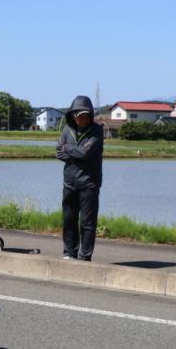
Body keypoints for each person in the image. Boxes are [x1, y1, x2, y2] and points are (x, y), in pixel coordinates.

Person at [56, 94, 104, 261]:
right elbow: (58, 152)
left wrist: (68, 148)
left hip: (89, 183)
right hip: (69, 182)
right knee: (69, 220)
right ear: (73, 115)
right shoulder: (66, 130)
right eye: (80, 115)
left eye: (86, 115)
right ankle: (69, 252)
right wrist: (74, 151)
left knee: (87, 223)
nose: (83, 118)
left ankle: (85, 256)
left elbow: (85, 153)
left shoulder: (97, 131)